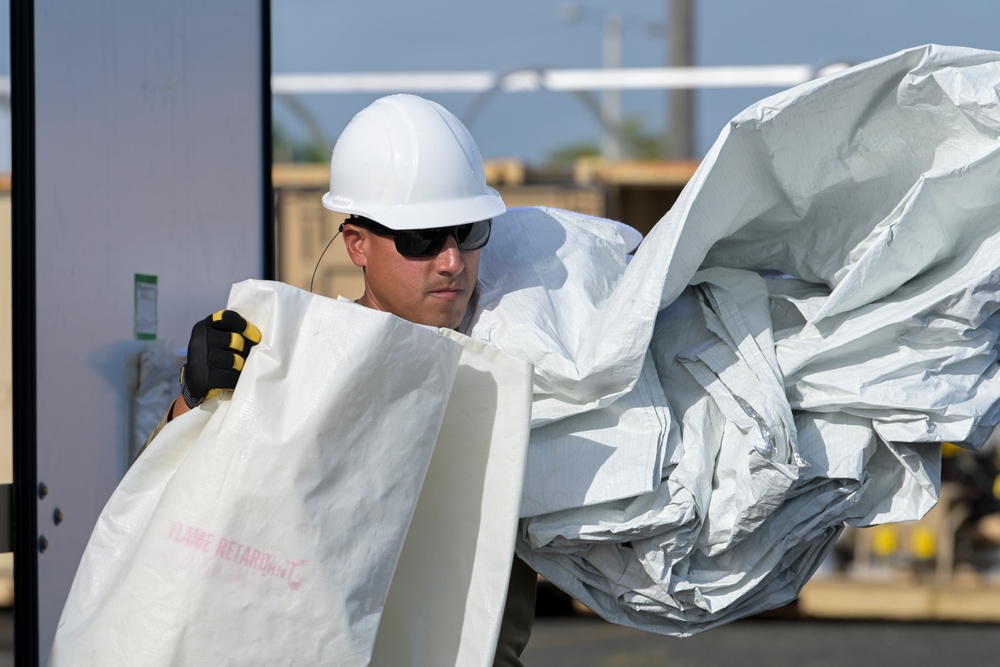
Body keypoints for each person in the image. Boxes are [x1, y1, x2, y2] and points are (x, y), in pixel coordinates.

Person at [149, 94, 537, 666]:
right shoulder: (293, 364)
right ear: (357, 242)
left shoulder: (530, 366)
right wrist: (193, 405)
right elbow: (170, 515)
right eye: (422, 239)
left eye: (467, 231)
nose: (452, 261)